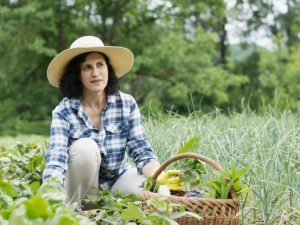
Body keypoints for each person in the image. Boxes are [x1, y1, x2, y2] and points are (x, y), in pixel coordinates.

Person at [43, 35, 160, 206]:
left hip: (117, 179)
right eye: (87, 68)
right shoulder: (64, 111)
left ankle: (109, 207)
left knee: (149, 196)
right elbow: (56, 156)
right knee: (86, 148)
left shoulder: (126, 103)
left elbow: (141, 150)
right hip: (81, 188)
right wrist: (50, 191)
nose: (96, 73)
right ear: (77, 74)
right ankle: (75, 212)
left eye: (100, 65)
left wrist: (160, 177)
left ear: (108, 68)